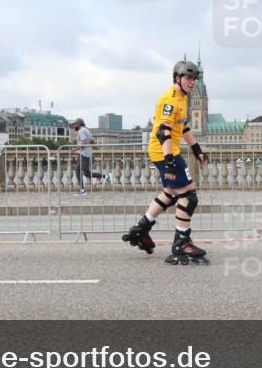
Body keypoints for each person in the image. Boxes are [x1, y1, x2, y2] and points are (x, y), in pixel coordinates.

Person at [122, 60, 209, 264]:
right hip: (164, 151)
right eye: (188, 78)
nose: (192, 82)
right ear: (177, 78)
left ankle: (141, 229)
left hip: (164, 151)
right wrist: (170, 162)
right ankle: (181, 243)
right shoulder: (169, 100)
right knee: (189, 195)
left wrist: (197, 150)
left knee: (171, 194)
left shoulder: (183, 98)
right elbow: (164, 132)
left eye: (194, 79)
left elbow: (183, 127)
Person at [72, 118, 113, 194]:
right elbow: (93, 141)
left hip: (84, 154)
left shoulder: (81, 131)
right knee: (81, 171)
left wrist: (75, 149)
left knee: (83, 172)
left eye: (75, 124)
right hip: (85, 153)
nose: (74, 126)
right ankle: (82, 189)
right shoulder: (87, 130)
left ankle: (106, 176)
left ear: (78, 124)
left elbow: (83, 141)